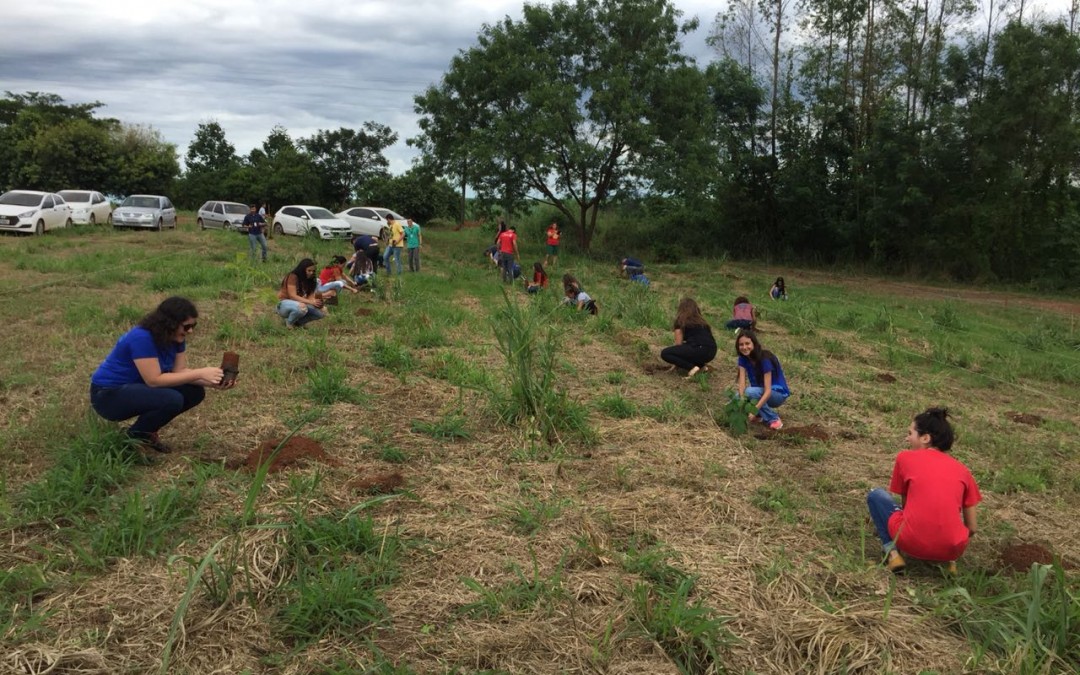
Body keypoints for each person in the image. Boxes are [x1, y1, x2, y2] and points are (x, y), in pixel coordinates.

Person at [90, 297, 233, 454]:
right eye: (186, 326)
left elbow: (180, 372)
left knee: (194, 392)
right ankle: (133, 439)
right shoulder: (141, 338)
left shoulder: (176, 337)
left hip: (136, 388)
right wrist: (200, 372)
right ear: (169, 323)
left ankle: (143, 432)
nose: (190, 331)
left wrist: (211, 381)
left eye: (193, 326)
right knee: (172, 399)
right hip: (108, 395)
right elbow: (154, 380)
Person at [867, 408, 981, 574]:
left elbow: (906, 507)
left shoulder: (905, 458)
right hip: (953, 548)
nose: (907, 438)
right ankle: (948, 563)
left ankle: (892, 554)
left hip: (912, 540)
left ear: (925, 438)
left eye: (910, 433)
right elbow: (972, 528)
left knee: (876, 496)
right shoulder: (964, 471)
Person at [734, 329, 790, 430]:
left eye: (747, 343)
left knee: (750, 392)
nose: (744, 347)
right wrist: (742, 401)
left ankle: (773, 419)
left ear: (754, 344)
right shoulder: (743, 359)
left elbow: (768, 391)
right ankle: (760, 415)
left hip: (777, 395)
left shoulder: (764, 359)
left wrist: (754, 409)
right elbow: (742, 384)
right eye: (741, 344)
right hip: (760, 391)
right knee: (737, 397)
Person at [660, 298, 717, 378]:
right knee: (690, 348)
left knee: (666, 353)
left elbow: (678, 344)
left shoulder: (680, 321)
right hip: (712, 351)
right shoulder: (703, 322)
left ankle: (692, 368)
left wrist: (676, 362)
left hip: (698, 348)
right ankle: (702, 367)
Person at [277, 258, 325, 328]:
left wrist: (319, 303)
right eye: (309, 270)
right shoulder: (292, 276)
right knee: (302, 308)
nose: (311, 273)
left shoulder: (313, 281)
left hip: (300, 303)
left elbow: (312, 296)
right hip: (284, 303)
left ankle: (298, 323)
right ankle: (289, 323)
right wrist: (311, 302)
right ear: (303, 269)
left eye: (313, 271)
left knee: (320, 313)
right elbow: (292, 296)